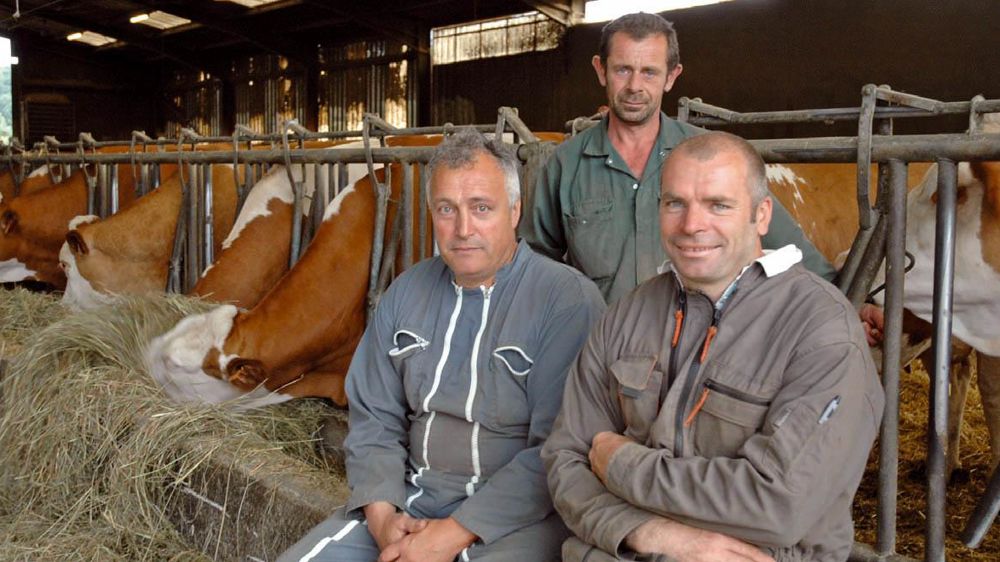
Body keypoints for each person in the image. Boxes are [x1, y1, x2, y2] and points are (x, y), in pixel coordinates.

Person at [541, 131, 884, 562]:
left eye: (718, 204)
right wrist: (650, 533)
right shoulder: (628, 313)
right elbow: (566, 457)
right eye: (675, 203)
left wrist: (623, 465)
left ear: (761, 216)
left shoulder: (821, 330)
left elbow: (778, 504)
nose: (691, 225)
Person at [278, 128, 605, 562]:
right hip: (412, 499)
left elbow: (558, 449)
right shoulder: (407, 291)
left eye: (481, 208)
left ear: (515, 210)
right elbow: (374, 416)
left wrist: (452, 535)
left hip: (519, 516)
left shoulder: (566, 301)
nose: (463, 229)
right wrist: (382, 518)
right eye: (446, 209)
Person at [522, 12, 835, 303]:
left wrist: (851, 305)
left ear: (671, 77)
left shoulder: (715, 156)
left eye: (649, 72)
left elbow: (795, 253)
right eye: (622, 70)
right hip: (601, 349)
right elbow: (534, 267)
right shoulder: (565, 165)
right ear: (600, 70)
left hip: (698, 349)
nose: (634, 86)